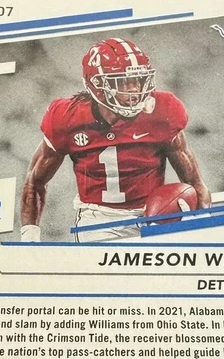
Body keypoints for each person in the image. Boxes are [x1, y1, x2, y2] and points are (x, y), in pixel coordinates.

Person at [20, 38, 210, 241]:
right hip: (99, 220)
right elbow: (35, 182)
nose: (134, 90)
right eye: (124, 82)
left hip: (154, 216)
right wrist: (29, 236)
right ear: (98, 85)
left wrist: (201, 220)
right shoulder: (67, 118)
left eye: (138, 80)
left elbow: (195, 182)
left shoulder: (162, 112)